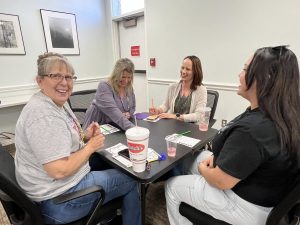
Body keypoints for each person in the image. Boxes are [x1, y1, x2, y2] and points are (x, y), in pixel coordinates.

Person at [165, 46, 300, 225]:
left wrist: (203, 171)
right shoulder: (280, 112)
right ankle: (196, 193)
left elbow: (221, 181)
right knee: (193, 158)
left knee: (171, 186)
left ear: (264, 79)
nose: (239, 74)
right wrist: (214, 160)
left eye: (244, 69)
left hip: (245, 203)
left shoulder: (254, 130)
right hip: (262, 187)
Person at [14, 52, 141, 225]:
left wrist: (85, 135)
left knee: (113, 163)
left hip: (60, 185)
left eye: (68, 77)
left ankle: (111, 215)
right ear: (40, 80)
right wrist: (90, 147)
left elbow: (62, 138)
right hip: (59, 200)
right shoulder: (42, 115)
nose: (64, 83)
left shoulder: (56, 102)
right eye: (56, 76)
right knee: (133, 178)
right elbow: (59, 170)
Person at [149, 55, 207, 123]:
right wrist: (158, 110)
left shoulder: (201, 90)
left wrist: (176, 116)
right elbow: (166, 105)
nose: (183, 71)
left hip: (191, 128)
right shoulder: (173, 87)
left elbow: (199, 115)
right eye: (182, 68)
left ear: (195, 72)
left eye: (188, 69)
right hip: (172, 125)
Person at [83, 58, 136, 131]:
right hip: (98, 125)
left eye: (129, 77)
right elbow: (113, 112)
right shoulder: (104, 85)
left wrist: (128, 114)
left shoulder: (129, 87)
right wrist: (135, 130)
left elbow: (132, 107)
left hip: (117, 124)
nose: (126, 81)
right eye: (123, 77)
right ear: (116, 74)